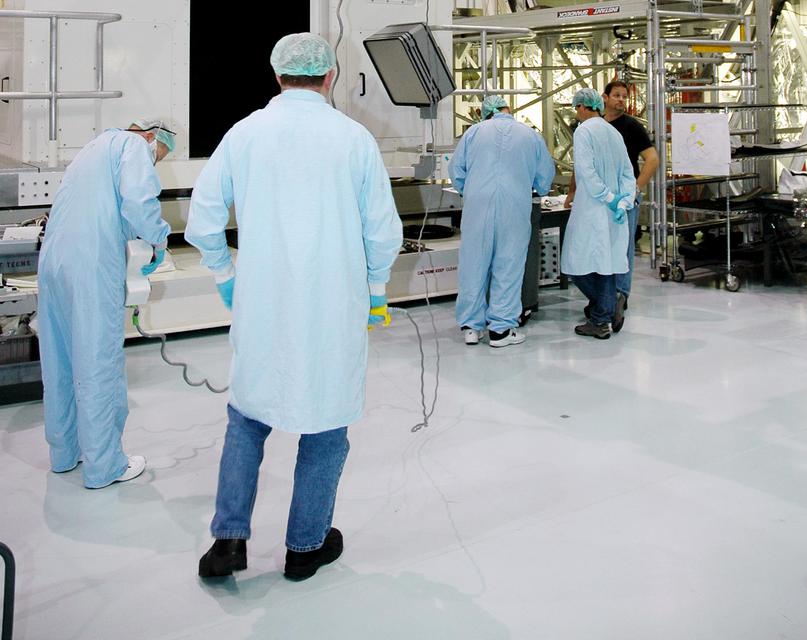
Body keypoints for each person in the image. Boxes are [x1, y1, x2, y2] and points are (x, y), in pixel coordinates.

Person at [188, 32, 402, 583]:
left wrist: (224, 276)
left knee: (246, 418)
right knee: (326, 426)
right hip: (335, 306)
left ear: (277, 75)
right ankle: (305, 547)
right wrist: (376, 291)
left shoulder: (245, 134)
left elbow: (203, 218)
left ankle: (228, 541)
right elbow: (382, 232)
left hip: (261, 303)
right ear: (330, 77)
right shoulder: (353, 140)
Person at [37, 119, 175, 488]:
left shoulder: (93, 149)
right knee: (98, 362)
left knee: (61, 360)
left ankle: (65, 454)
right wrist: (159, 240)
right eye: (158, 156)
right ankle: (104, 466)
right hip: (90, 265)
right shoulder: (133, 148)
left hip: (54, 262)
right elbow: (140, 202)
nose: (154, 162)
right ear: (151, 137)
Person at [450, 92, 555, 349]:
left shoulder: (474, 133)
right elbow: (545, 176)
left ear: (486, 112)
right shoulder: (529, 135)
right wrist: (539, 188)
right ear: (509, 108)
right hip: (514, 206)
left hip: (477, 206)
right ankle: (501, 329)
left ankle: (471, 328)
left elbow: (456, 171)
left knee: (474, 264)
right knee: (508, 264)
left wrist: (469, 189)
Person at [562, 88, 635, 339]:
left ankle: (601, 318)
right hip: (613, 211)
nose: (576, 112)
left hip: (593, 208)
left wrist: (608, 198)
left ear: (583, 107)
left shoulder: (583, 132)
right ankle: (605, 306)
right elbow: (628, 172)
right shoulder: (613, 132)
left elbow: (586, 172)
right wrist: (623, 200)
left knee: (575, 264)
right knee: (605, 264)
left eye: (576, 108)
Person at [602, 79, 659, 328]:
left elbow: (652, 159)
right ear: (604, 98)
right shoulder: (594, 126)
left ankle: (620, 296)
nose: (621, 100)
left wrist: (635, 189)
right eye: (616, 95)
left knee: (623, 247)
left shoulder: (632, 126)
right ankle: (603, 295)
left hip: (624, 198)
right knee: (601, 245)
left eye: (624, 96)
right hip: (601, 196)